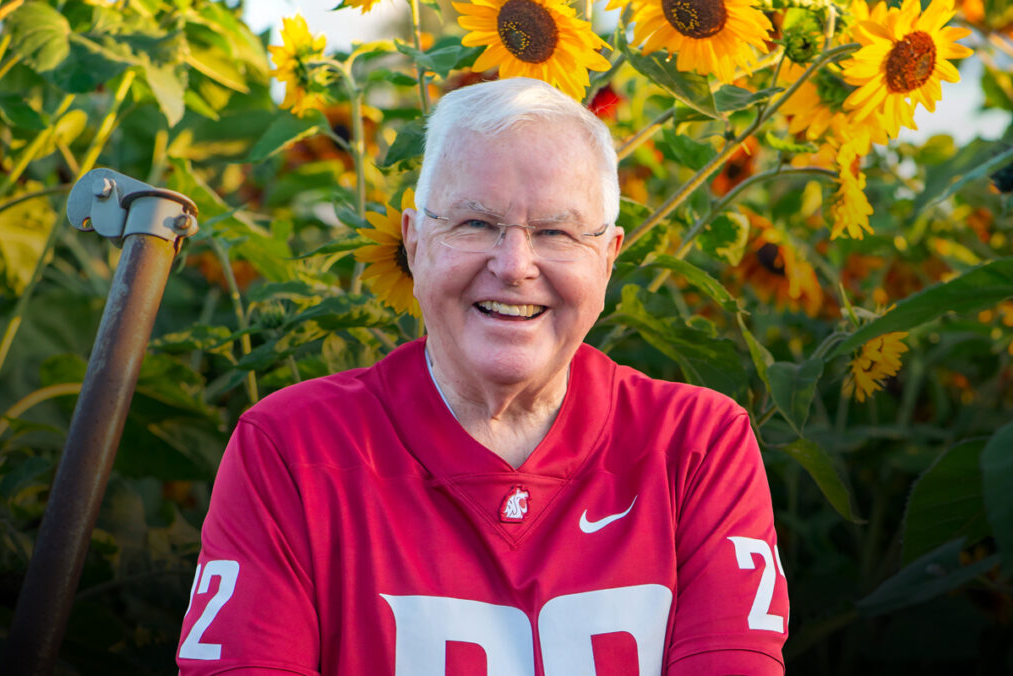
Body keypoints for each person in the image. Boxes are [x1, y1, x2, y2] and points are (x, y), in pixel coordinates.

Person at [176, 77, 789, 675]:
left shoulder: (697, 447)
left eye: (555, 231)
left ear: (608, 259)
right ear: (414, 245)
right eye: (474, 224)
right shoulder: (292, 449)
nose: (514, 265)